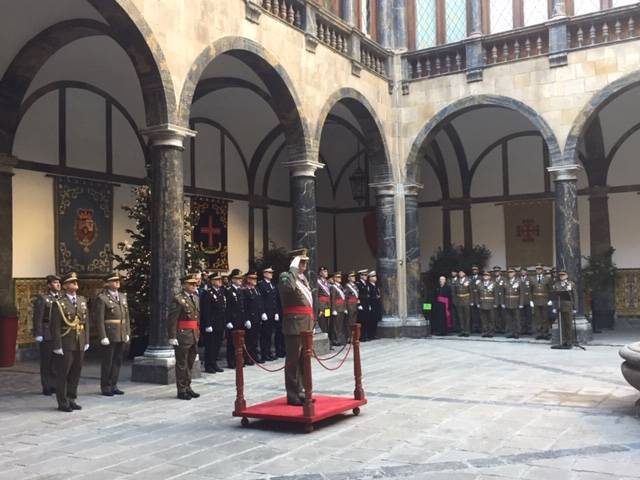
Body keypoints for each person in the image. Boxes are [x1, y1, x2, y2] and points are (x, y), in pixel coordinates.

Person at [279, 248, 314, 406]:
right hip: (294, 325)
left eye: (306, 262)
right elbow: (289, 288)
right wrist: (292, 269)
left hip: (306, 323)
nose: (304, 264)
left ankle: (302, 391)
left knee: (303, 361)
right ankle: (292, 394)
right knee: (293, 361)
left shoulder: (303, 279)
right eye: (301, 261)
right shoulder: (286, 277)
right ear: (294, 262)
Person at [50, 272, 90, 412]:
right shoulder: (59, 303)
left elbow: (86, 322)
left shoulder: (82, 300)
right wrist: (57, 345)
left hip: (79, 340)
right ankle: (62, 402)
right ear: (65, 286)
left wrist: (87, 340)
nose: (75, 284)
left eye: (76, 281)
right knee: (64, 372)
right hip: (66, 341)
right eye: (72, 282)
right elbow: (54, 326)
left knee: (76, 371)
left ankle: (71, 398)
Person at [93, 272, 130, 396]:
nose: (117, 282)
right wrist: (103, 336)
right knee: (108, 361)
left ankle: (114, 384)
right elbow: (99, 319)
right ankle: (105, 386)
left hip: (120, 333)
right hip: (109, 333)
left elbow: (126, 317)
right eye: (114, 280)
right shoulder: (102, 298)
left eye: (118, 280)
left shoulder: (122, 296)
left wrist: (127, 332)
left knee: (117, 360)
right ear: (107, 283)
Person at [168, 274, 201, 400]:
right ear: (184, 285)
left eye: (194, 284)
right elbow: (172, 319)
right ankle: (181, 389)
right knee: (182, 364)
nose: (194, 286)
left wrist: (198, 331)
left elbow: (197, 318)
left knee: (190, 363)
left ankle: (188, 387)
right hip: (182, 334)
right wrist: (172, 336)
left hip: (193, 334)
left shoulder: (196, 298)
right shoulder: (178, 299)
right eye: (191, 284)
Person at [32, 274, 61, 396]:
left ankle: (54, 384)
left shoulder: (62, 298)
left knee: (56, 360)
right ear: (49, 285)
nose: (58, 284)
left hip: (59, 333)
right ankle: (47, 386)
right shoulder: (43, 298)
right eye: (55, 282)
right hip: (47, 332)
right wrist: (38, 333)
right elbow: (38, 317)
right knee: (46, 361)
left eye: (59, 282)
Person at [200, 272, 226, 373]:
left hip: (219, 323)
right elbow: (206, 310)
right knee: (210, 345)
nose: (220, 281)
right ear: (212, 281)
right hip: (211, 324)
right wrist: (207, 324)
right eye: (217, 280)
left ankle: (214, 363)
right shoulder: (208, 293)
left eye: (220, 280)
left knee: (217, 345)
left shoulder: (221, 292)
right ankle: (208, 365)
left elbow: (223, 308)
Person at [225, 269, 249, 368]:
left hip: (240, 320)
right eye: (238, 278)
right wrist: (228, 321)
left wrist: (246, 319)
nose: (240, 280)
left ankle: (239, 360)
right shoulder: (228, 291)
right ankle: (231, 362)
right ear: (233, 279)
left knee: (240, 342)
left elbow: (244, 306)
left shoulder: (240, 290)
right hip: (233, 320)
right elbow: (226, 307)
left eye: (241, 278)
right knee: (231, 342)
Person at [257, 267, 281, 361]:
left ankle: (269, 352)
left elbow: (274, 300)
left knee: (270, 334)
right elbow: (261, 300)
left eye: (271, 272)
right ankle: (264, 354)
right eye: (269, 272)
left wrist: (276, 312)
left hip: (272, 313)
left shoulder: (272, 284)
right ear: (264, 274)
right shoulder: (261, 285)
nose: (271, 274)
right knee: (264, 335)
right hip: (266, 314)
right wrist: (262, 312)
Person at [551, 269, 577, 350]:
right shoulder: (556, 284)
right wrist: (554, 307)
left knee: (568, 324)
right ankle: (563, 341)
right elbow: (554, 297)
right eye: (560, 275)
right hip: (559, 306)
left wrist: (575, 307)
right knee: (561, 325)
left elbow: (575, 296)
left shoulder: (571, 284)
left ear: (567, 276)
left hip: (568, 306)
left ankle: (569, 341)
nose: (561, 276)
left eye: (563, 275)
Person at [244, 271, 266, 363]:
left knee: (255, 339)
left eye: (255, 279)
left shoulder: (256, 289)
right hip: (250, 318)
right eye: (253, 279)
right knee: (249, 339)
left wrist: (262, 313)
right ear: (248, 279)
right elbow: (245, 306)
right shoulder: (245, 291)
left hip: (257, 317)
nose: (255, 280)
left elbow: (259, 303)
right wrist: (246, 319)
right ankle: (248, 357)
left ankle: (255, 356)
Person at [531, 264, 553, 340]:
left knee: (545, 317)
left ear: (542, 270)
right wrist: (531, 300)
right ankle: (539, 333)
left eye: (540, 269)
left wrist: (550, 299)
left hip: (545, 300)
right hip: (536, 300)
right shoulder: (532, 279)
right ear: (536, 270)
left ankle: (546, 333)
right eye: (537, 269)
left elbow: (550, 290)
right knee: (538, 318)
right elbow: (530, 291)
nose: (539, 270)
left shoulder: (547, 279)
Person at [503, 267, 525, 339]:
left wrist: (521, 303)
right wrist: (503, 302)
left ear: (514, 273)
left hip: (516, 302)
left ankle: (517, 332)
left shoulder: (519, 281)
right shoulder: (506, 281)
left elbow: (521, 293)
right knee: (509, 318)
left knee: (517, 318)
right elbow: (503, 293)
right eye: (509, 272)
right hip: (507, 302)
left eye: (511, 272)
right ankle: (510, 332)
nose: (510, 273)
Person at [478, 271, 498, 338]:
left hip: (490, 303)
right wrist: (478, 302)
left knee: (491, 319)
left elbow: (496, 294)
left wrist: (495, 303)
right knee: (483, 319)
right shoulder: (480, 284)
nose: (485, 277)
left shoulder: (493, 284)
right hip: (482, 303)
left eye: (487, 275)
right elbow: (477, 294)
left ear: (489, 277)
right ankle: (484, 331)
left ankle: (491, 332)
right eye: (484, 276)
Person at [329, 272, 347, 346]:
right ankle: (335, 340)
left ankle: (339, 339)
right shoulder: (333, 287)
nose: (340, 278)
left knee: (340, 325)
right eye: (338, 277)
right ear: (334, 278)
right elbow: (332, 299)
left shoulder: (341, 287)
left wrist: (345, 308)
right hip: (337, 308)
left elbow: (344, 299)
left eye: (340, 277)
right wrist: (333, 309)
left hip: (342, 307)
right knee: (336, 325)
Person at [455, 270, 472, 337]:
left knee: (467, 316)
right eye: (459, 273)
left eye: (462, 273)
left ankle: (467, 331)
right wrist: (456, 301)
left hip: (466, 299)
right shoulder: (457, 281)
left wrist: (471, 300)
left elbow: (471, 291)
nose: (460, 274)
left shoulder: (468, 280)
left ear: (464, 273)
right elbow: (455, 292)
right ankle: (462, 330)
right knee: (460, 316)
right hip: (459, 300)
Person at [344, 271, 359, 342]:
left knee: (354, 322)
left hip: (355, 305)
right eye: (352, 277)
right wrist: (346, 307)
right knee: (349, 322)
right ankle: (349, 337)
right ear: (349, 278)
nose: (354, 278)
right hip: (350, 306)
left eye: (354, 276)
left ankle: (354, 336)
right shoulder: (347, 286)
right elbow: (345, 298)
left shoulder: (355, 286)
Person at [356, 269, 370, 341]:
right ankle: (361, 336)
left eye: (366, 275)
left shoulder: (366, 284)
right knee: (362, 320)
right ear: (361, 276)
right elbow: (357, 295)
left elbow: (367, 294)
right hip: (361, 304)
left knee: (366, 320)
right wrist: (359, 304)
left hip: (366, 303)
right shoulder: (358, 284)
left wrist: (369, 304)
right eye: (364, 275)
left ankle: (365, 335)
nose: (366, 276)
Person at [367, 271, 382, 340]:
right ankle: (370, 335)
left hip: (376, 305)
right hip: (372, 305)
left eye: (375, 276)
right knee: (371, 320)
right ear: (370, 278)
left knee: (375, 320)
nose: (375, 278)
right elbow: (368, 296)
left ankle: (374, 334)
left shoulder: (376, 285)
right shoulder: (369, 286)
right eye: (373, 276)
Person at [518, 267, 533, 335]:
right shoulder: (518, 279)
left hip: (528, 299)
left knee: (529, 316)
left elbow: (532, 289)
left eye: (524, 271)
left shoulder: (530, 279)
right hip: (521, 300)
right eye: (522, 271)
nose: (523, 272)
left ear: (526, 272)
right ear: (520, 272)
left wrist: (532, 299)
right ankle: (523, 329)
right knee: (522, 316)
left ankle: (529, 329)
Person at [317, 266, 331, 334]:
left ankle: (327, 337)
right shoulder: (318, 282)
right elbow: (316, 295)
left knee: (327, 320)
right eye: (324, 271)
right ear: (320, 273)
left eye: (326, 271)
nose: (326, 273)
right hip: (322, 305)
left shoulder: (327, 282)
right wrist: (319, 308)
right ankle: (323, 335)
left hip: (327, 305)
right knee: (322, 321)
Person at [493, 266, 506, 333]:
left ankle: (504, 328)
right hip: (495, 300)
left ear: (500, 272)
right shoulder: (492, 280)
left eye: (497, 271)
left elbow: (506, 291)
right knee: (496, 316)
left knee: (503, 316)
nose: (496, 272)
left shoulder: (504, 279)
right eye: (495, 271)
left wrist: (504, 301)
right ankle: (498, 328)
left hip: (502, 300)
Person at [470, 265, 482, 333]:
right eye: (473, 270)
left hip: (479, 298)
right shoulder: (470, 278)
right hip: (472, 298)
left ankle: (480, 328)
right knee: (473, 315)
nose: (474, 271)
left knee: (480, 314)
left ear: (477, 270)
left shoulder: (481, 278)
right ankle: (474, 328)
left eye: (475, 270)